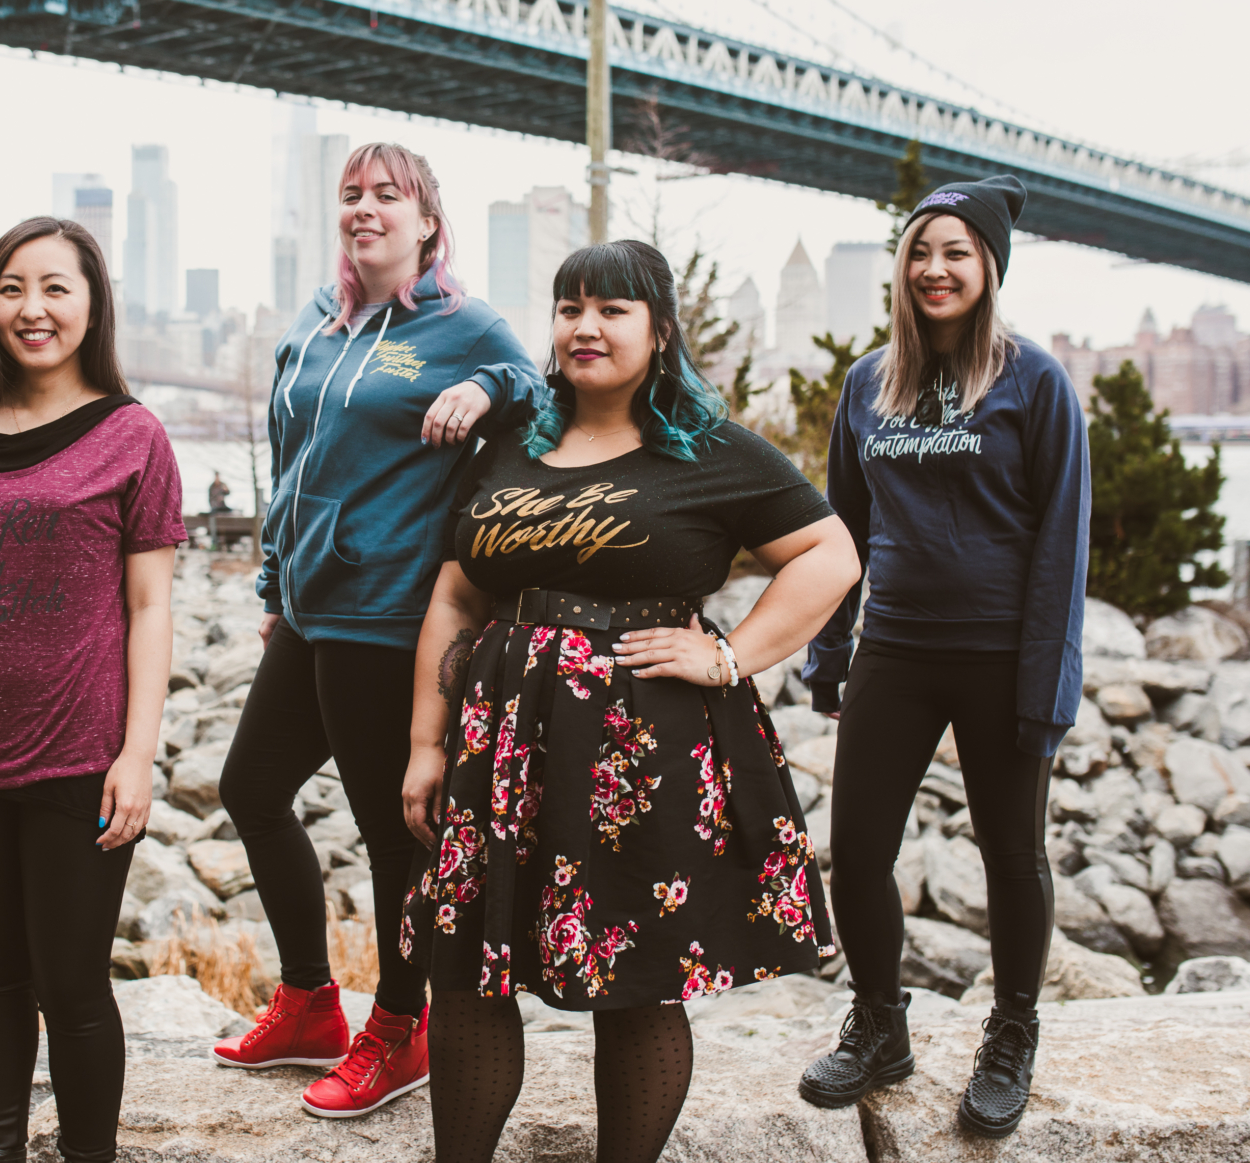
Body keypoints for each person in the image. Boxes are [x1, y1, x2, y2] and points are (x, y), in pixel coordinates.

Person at [399, 239, 858, 1163]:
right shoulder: (508, 445)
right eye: (570, 307)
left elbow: (832, 557)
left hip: (640, 753)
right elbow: (455, 593)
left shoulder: (709, 452)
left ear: (659, 330)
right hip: (503, 744)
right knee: (468, 974)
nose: (586, 327)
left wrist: (730, 655)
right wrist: (425, 742)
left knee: (639, 977)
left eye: (612, 309)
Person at [210, 142, 544, 1118]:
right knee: (251, 788)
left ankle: (401, 1030)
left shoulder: (463, 324)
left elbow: (549, 397)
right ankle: (309, 999)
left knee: (390, 836)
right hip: (311, 612)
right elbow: (291, 456)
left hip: (390, 617)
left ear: (428, 223)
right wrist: (275, 583)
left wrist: (486, 390)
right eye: (351, 195)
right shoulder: (317, 324)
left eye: (387, 196)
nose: (364, 210)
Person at [0, 216, 184, 1163]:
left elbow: (149, 608)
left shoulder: (133, 436)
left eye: (57, 287)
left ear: (92, 305)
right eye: (14, 287)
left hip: (79, 757)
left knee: (73, 983)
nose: (33, 309)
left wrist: (137, 756)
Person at [797, 176, 1089, 1138]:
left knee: (1011, 854)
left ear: (989, 269)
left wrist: (1048, 684)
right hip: (898, 648)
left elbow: (1061, 545)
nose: (935, 268)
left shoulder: (1035, 382)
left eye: (957, 252)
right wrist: (830, 649)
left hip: (1002, 656)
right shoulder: (868, 383)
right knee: (858, 853)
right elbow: (842, 528)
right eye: (921, 251)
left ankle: (1012, 1034)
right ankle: (881, 1024)